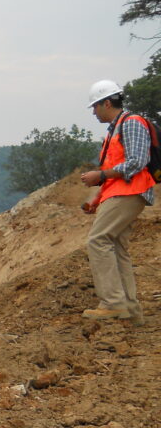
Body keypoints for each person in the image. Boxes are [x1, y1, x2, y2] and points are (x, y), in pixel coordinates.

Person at [79, 79, 156, 324]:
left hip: (130, 192)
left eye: (95, 106)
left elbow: (137, 161)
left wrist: (100, 175)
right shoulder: (115, 128)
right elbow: (115, 169)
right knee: (117, 247)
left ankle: (112, 303)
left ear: (107, 102)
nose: (94, 112)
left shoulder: (131, 123)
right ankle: (131, 311)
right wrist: (96, 198)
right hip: (119, 192)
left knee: (98, 240)